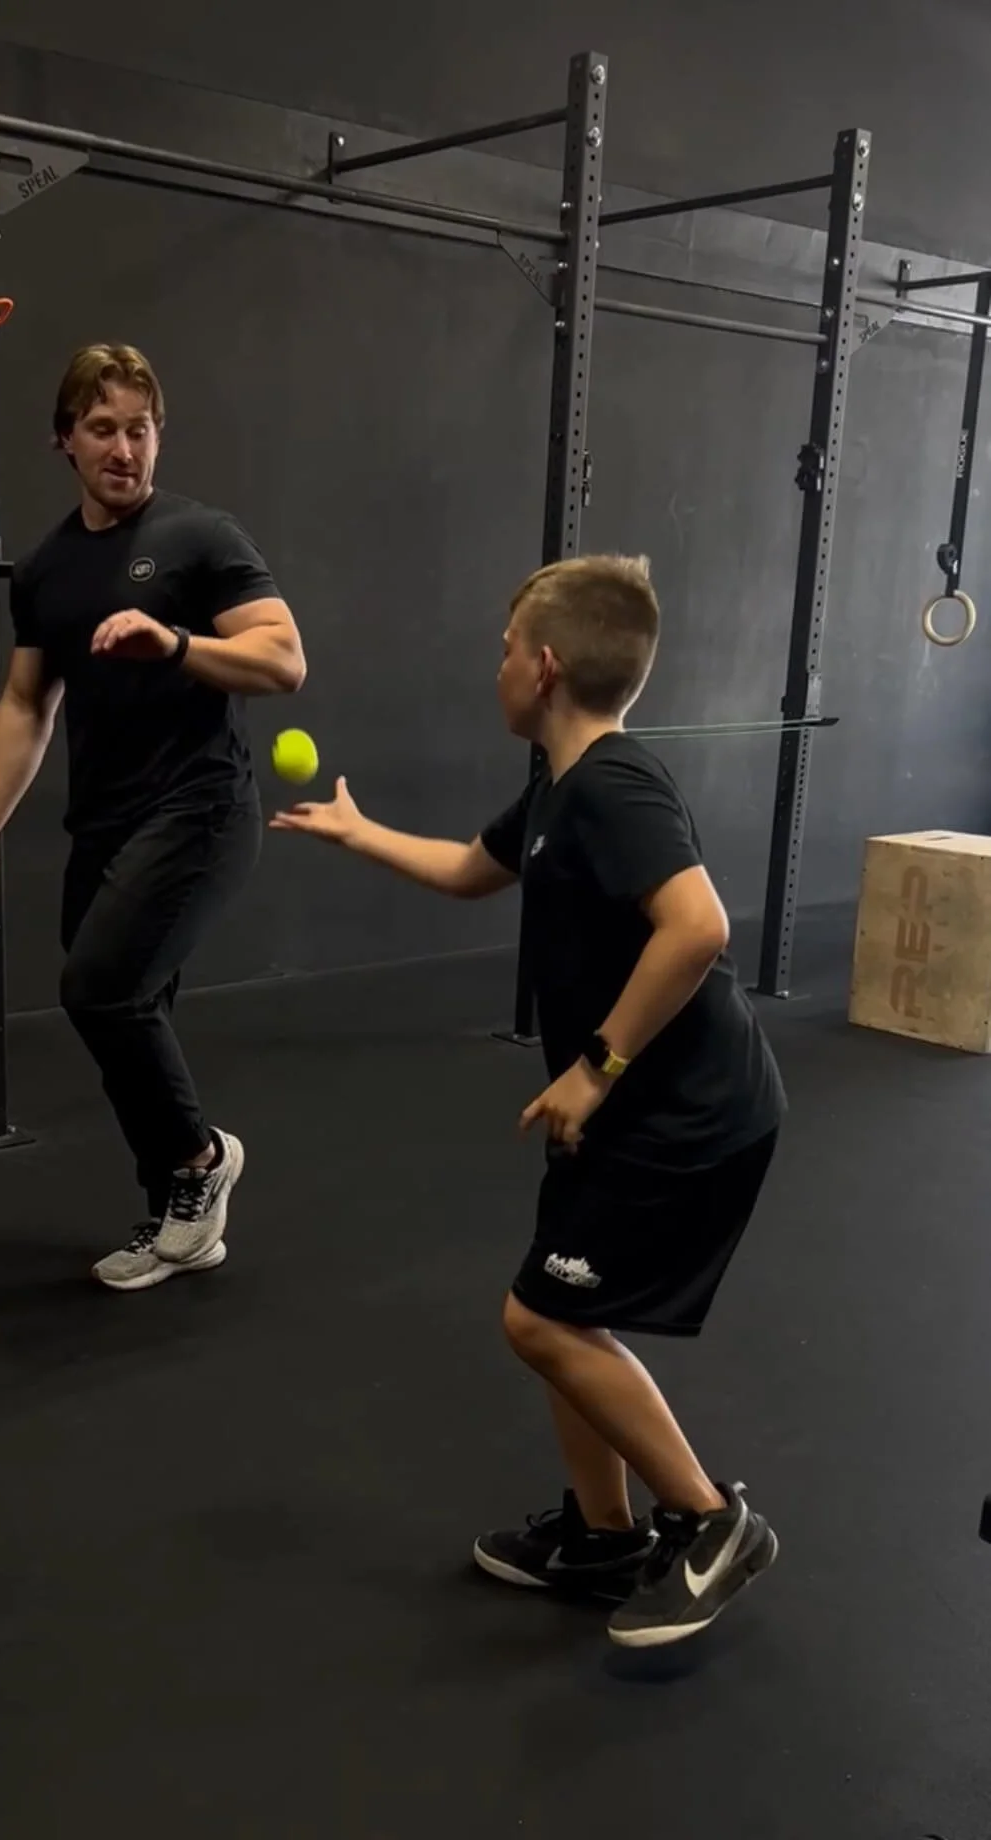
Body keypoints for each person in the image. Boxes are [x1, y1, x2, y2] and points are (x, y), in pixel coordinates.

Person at [271, 554, 784, 1649]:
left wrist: (595, 1065)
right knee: (560, 1305)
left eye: (506, 649)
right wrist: (359, 834)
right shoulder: (559, 782)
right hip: (628, 1106)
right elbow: (471, 866)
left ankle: (710, 1521)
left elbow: (699, 926)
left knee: (539, 1319)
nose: (495, 665)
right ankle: (602, 1536)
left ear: (545, 666)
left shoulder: (613, 784)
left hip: (687, 1109)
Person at [0, 343, 306, 1293]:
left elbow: (283, 660)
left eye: (140, 428)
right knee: (132, 1009)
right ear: (65, 440)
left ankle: (197, 1165)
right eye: (102, 428)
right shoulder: (50, 569)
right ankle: (179, 1219)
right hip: (105, 822)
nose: (124, 447)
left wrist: (176, 641)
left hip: (203, 808)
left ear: (157, 435)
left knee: (101, 988)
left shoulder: (199, 537)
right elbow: (27, 705)